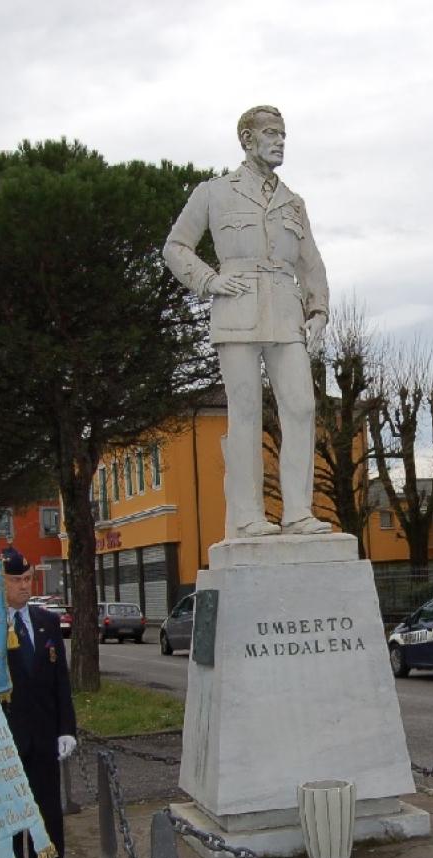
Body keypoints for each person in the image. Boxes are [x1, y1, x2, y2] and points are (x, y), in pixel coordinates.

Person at [163, 104, 333, 538]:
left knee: (301, 406)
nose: (280, 141)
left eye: (283, 134)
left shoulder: (293, 202)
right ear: (247, 139)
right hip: (236, 309)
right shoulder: (214, 192)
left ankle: (298, 512)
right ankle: (246, 515)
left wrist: (318, 310)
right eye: (271, 133)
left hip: (285, 311)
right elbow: (176, 247)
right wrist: (209, 280)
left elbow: (311, 263)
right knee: (244, 412)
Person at [0, 547, 78, 858]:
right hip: (5, 736)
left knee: (47, 812)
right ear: (0, 584)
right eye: (15, 580)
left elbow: (60, 680)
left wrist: (66, 728)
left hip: (44, 734)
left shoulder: (46, 622)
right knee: (9, 816)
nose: (24, 586)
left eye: (27, 579)